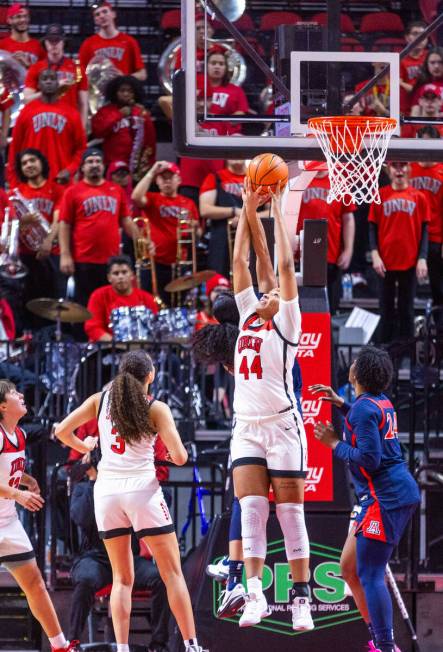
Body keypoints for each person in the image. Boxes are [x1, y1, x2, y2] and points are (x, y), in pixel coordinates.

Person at [54, 349, 206, 652]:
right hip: (142, 491)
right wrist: (161, 453)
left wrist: (83, 445)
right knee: (172, 572)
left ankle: (122, 648)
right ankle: (191, 646)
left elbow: (60, 430)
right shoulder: (156, 408)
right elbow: (180, 456)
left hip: (107, 493)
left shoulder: (99, 401)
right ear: (150, 376)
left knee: (122, 579)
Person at [230, 180, 313, 630]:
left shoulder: (288, 320)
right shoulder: (246, 313)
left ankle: (301, 601)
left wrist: (279, 210)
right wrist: (246, 207)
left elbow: (282, 263)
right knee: (251, 510)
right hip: (245, 426)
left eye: (275, 292)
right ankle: (255, 595)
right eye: (264, 293)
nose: (267, 293)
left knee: (289, 513)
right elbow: (240, 261)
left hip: (282, 426)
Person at [312, 346, 420, 652]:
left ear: (355, 373)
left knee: (370, 573)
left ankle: (386, 646)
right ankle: (379, 637)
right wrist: (343, 405)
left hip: (385, 498)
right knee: (348, 567)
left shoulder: (364, 409)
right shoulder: (378, 402)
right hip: (387, 494)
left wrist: (333, 443)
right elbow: (366, 425)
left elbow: (369, 459)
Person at [0, 379, 79, 652]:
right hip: (7, 511)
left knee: (35, 583)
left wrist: (25, 479)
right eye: (13, 392)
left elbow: (5, 470)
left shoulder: (19, 435)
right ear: (2, 406)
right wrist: (18, 494)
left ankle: (60, 646)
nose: (21, 393)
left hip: (7, 522)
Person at [68, 446, 171, 651]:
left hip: (128, 558)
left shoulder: (125, 486)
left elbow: (157, 502)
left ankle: (159, 644)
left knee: (162, 578)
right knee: (85, 579)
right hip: (95, 558)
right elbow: (83, 518)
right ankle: (72, 642)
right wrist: (93, 482)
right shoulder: (83, 489)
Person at [58, 148, 139, 308]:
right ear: (82, 168)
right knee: (84, 306)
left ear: (104, 166)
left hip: (111, 261)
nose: (94, 165)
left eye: (98, 162)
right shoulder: (72, 192)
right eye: (90, 162)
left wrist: (142, 240)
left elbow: (126, 221)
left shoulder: (116, 190)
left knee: (110, 305)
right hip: (83, 259)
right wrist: (65, 255)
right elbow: (64, 224)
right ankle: (84, 334)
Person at [369, 162, 430, 342]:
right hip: (385, 263)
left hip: (410, 262)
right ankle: (385, 354)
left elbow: (425, 231)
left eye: (403, 166)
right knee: (385, 309)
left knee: (407, 310)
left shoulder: (419, 197)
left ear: (409, 169)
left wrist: (422, 258)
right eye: (395, 166)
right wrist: (374, 254)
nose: (399, 170)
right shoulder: (380, 195)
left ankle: (407, 356)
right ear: (388, 170)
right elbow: (372, 227)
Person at [10, 148, 66, 323]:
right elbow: (8, 226)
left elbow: (60, 219)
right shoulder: (16, 193)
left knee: (53, 304)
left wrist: (48, 242)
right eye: (24, 163)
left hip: (52, 253)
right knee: (27, 304)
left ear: (42, 162)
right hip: (25, 256)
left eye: (32, 160)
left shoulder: (57, 190)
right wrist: (22, 222)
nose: (29, 165)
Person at [132, 161, 200, 305]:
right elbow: (136, 197)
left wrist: (193, 228)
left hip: (179, 262)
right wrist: (151, 172)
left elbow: (197, 230)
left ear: (179, 180)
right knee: (151, 303)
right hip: (154, 261)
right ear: (157, 181)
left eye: (171, 177)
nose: (167, 180)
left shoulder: (188, 203)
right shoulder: (152, 198)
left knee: (178, 304)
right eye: (163, 177)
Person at [7, 69, 87, 187]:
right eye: (45, 79)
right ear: (38, 85)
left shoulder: (72, 113)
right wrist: (14, 182)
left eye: (52, 79)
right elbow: (15, 149)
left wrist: (70, 170)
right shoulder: (26, 112)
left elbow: (81, 148)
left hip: (61, 181)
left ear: (57, 83)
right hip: (32, 183)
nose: (49, 82)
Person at [297, 169, 355, 314]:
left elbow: (348, 218)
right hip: (300, 255)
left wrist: (348, 250)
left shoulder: (340, 181)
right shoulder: (298, 180)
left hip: (330, 254)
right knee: (301, 307)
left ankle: (328, 336)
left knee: (329, 307)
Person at [409, 127, 443, 330]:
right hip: (410, 240)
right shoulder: (408, 168)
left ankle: (439, 335)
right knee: (406, 291)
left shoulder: (441, 171)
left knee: (438, 291)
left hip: (436, 239)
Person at [23, 24, 88, 128]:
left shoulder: (77, 68)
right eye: (50, 41)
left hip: (69, 124)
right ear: (45, 43)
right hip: (43, 123)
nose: (54, 44)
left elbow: (83, 103)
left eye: (57, 40)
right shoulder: (35, 68)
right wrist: (52, 88)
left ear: (64, 42)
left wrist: (82, 129)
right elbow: (26, 100)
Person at [84, 254, 159, 342]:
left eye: (124, 272)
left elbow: (155, 328)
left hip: (140, 350)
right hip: (107, 348)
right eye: (116, 273)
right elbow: (92, 327)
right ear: (109, 278)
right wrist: (116, 344)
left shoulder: (147, 298)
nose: (120, 277)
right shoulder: (98, 295)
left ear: (132, 275)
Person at [91, 75, 156, 174]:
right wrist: (119, 115)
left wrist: (149, 164)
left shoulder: (142, 113)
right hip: (111, 165)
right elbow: (98, 132)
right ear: (115, 92)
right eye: (122, 91)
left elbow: (150, 141)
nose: (126, 94)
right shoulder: (106, 111)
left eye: (130, 91)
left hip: (136, 166)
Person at [199, 159, 247, 280]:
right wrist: (234, 211)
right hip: (221, 242)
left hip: (251, 239)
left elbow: (271, 211)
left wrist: (246, 216)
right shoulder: (215, 177)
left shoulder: (257, 178)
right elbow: (204, 209)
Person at [79, 0, 146, 81]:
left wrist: (123, 77)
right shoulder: (88, 44)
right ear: (95, 20)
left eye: (105, 11)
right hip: (99, 92)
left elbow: (142, 74)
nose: (102, 16)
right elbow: (80, 75)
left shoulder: (129, 41)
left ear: (113, 14)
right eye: (97, 14)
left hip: (122, 90)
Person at [0, 3, 45, 68]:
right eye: (18, 17)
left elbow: (44, 74)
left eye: (25, 16)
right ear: (9, 20)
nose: (23, 20)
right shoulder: (2, 46)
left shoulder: (38, 45)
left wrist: (28, 65)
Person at [400, 20, 429, 113]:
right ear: (407, 37)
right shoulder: (399, 58)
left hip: (429, 107)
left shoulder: (432, 57)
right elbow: (397, 82)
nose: (420, 37)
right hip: (406, 109)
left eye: (423, 34)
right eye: (415, 33)